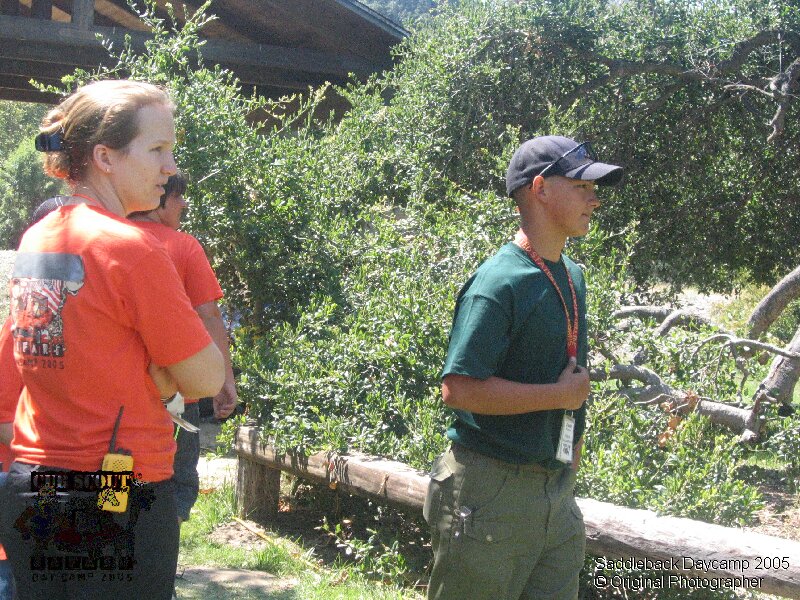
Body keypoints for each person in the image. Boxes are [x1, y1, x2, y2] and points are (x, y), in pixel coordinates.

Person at [0, 79, 225, 600]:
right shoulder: (132, 249)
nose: (170, 167)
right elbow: (206, 379)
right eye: (157, 149)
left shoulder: (39, 236)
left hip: (34, 483)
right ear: (105, 157)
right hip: (115, 486)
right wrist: (160, 370)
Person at [424, 135, 623, 600]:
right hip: (490, 491)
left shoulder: (571, 275)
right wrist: (558, 397)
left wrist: (568, 465)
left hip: (555, 491)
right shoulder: (499, 282)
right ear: (540, 189)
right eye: (581, 186)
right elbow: (458, 389)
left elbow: (568, 371)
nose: (594, 199)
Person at [128, 171, 238, 524]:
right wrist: (225, 381)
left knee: (116, 488)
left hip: (119, 401)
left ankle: (114, 548)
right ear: (159, 199)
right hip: (176, 400)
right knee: (176, 487)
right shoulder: (184, 246)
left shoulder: (109, 239)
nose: (184, 204)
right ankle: (163, 551)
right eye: (178, 197)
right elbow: (210, 316)